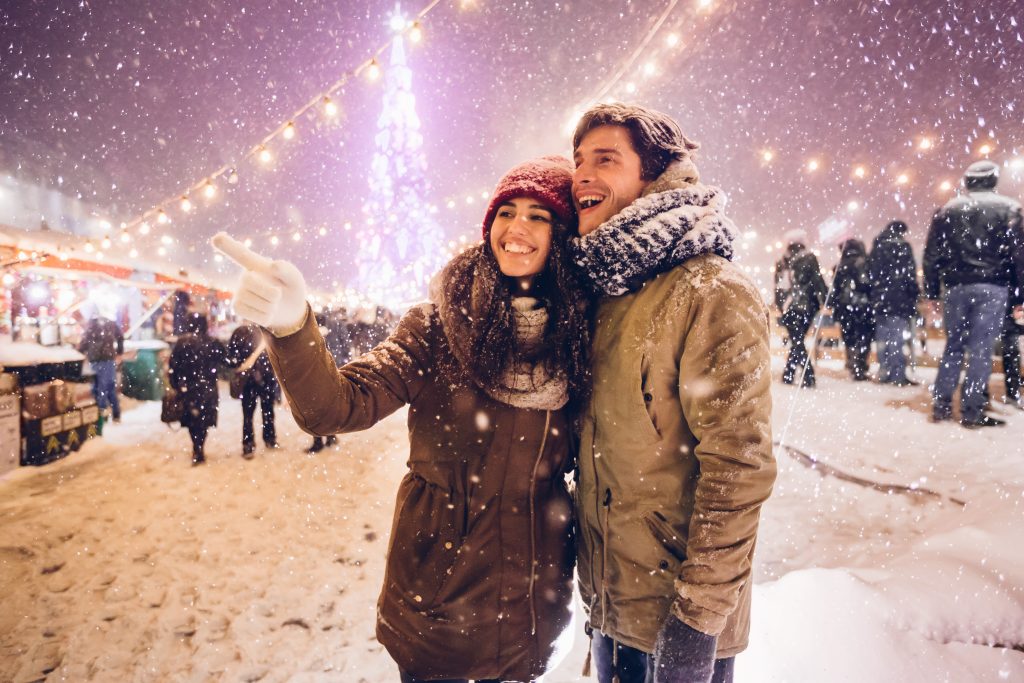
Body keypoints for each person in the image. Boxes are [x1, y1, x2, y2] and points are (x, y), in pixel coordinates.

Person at [214, 156, 591, 683]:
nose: (517, 228)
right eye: (506, 211)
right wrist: (292, 324)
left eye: (539, 216)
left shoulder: (579, 338)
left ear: (563, 234)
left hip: (536, 616)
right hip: (437, 613)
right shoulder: (439, 325)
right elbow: (336, 406)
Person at [569, 103, 775, 683]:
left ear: (655, 176)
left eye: (605, 160)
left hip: (678, 628)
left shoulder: (712, 291)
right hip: (613, 611)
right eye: (579, 160)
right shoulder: (604, 292)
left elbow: (739, 467)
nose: (582, 173)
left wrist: (697, 623)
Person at [924, 160, 1024, 427]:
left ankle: (942, 405)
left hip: (956, 287)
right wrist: (1019, 296)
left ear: (967, 181)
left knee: (954, 346)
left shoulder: (947, 210)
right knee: (981, 349)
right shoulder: (1009, 209)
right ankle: (971, 410)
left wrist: (933, 291)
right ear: (993, 180)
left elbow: (932, 256)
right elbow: (1019, 257)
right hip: (992, 286)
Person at [866, 220, 921, 385]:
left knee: (882, 338)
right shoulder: (903, 247)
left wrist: (876, 294)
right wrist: (913, 294)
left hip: (880, 300)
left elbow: (871, 273)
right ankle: (897, 375)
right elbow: (909, 274)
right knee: (896, 338)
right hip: (899, 299)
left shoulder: (877, 247)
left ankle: (884, 372)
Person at [169, 312, 226, 465]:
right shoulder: (212, 342)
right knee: (204, 420)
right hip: (208, 387)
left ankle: (196, 446)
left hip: (189, 387)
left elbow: (173, 367)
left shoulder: (182, 343)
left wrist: (176, 385)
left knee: (192, 419)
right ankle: (200, 445)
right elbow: (226, 360)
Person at [777, 232, 828, 387]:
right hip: (808, 307)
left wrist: (781, 306)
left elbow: (778, 288)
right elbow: (817, 280)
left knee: (796, 341)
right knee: (798, 341)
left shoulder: (782, 261)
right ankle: (807, 377)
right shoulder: (809, 258)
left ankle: (789, 375)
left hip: (789, 307)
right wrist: (824, 298)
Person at [226, 322, 278, 458]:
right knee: (267, 411)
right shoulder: (265, 331)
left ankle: (248, 445)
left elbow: (231, 357)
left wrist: (240, 365)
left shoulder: (239, 333)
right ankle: (269, 439)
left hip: (248, 379)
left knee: (248, 414)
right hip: (265, 377)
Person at [828, 238, 873, 381]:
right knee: (864, 337)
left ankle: (852, 363)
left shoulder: (839, 267)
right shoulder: (865, 264)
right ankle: (860, 366)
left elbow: (834, 290)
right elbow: (869, 285)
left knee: (849, 337)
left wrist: (832, 305)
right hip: (863, 306)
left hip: (845, 308)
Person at [307, 310, 348, 453]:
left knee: (320, 407)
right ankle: (326, 437)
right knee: (323, 406)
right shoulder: (336, 324)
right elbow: (345, 347)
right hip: (322, 370)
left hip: (326, 370)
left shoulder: (312, 327)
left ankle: (323, 439)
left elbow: (345, 347)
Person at [78, 312, 124, 423]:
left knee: (99, 388)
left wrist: (78, 353)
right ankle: (114, 414)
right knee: (108, 388)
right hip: (108, 359)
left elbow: (84, 343)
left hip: (97, 360)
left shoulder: (91, 326)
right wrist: (119, 351)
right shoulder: (110, 324)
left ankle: (102, 416)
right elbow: (120, 337)